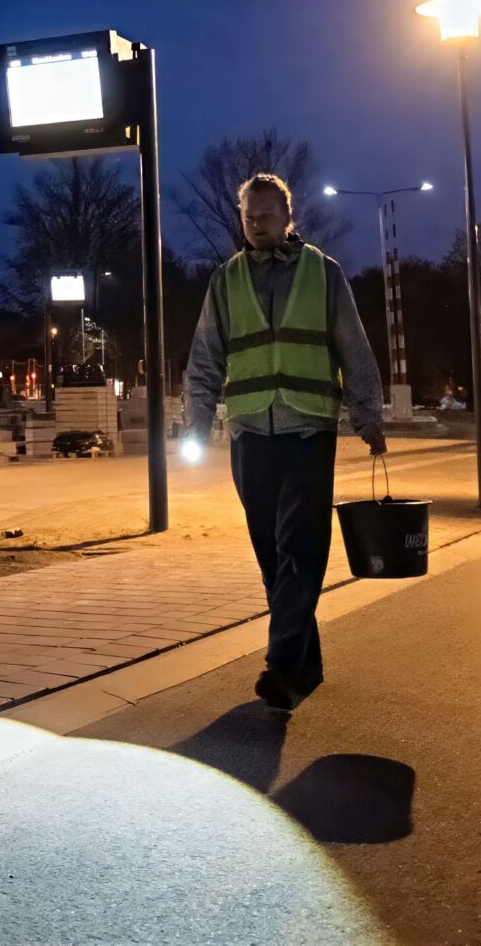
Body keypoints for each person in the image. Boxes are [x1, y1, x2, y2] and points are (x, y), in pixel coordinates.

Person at [181, 171, 386, 711]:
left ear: (288, 216)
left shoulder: (324, 272)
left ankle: (280, 665)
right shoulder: (225, 280)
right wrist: (196, 425)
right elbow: (204, 357)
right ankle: (304, 668)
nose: (256, 225)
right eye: (249, 217)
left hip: (308, 429)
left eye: (266, 216)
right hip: (250, 432)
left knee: (301, 548)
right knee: (271, 555)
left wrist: (368, 415)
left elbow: (354, 346)